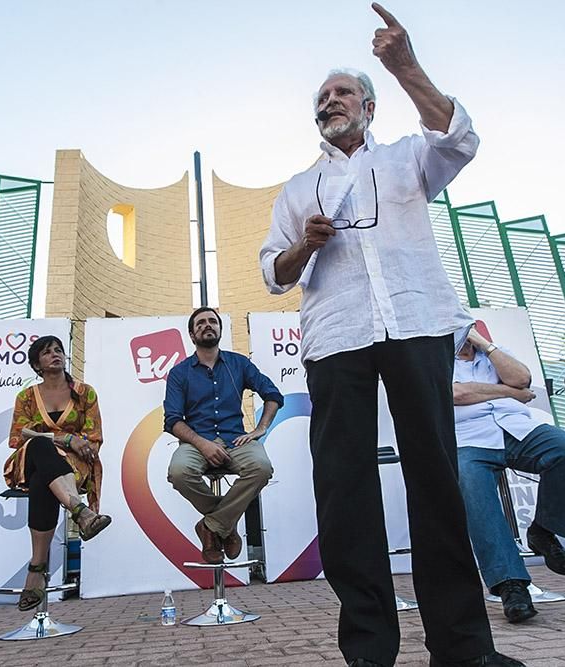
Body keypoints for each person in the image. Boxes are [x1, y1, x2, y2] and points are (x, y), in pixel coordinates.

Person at [259, 5, 519, 666]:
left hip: (416, 322)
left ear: (369, 106)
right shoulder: (297, 188)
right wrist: (304, 247)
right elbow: (273, 272)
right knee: (345, 492)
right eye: (321, 97)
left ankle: (463, 647)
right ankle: (369, 651)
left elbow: (460, 138)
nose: (330, 102)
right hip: (334, 337)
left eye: (343, 92)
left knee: (435, 482)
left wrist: (404, 66)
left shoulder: (409, 157)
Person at [453, 327, 565, 624]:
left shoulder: (494, 353)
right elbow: (457, 394)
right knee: (471, 484)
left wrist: (485, 345)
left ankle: (543, 530)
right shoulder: (434, 356)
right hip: (467, 438)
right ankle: (511, 586)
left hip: (517, 430)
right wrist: (509, 392)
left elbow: (522, 380)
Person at [164, 307, 281, 565]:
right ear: (192, 335)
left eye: (212, 322)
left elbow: (273, 395)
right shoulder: (179, 373)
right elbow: (172, 420)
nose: (208, 325)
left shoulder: (239, 364)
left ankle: (211, 526)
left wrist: (260, 429)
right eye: (201, 323)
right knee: (179, 471)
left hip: (235, 439)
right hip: (196, 441)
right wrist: (202, 444)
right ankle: (226, 527)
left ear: (220, 329)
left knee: (261, 468)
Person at [4, 335, 111, 611]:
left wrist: (71, 443)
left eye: (58, 350)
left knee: (44, 481)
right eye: (47, 352)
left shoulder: (85, 392)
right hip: (30, 459)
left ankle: (36, 569)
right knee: (39, 446)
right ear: (37, 364)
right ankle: (81, 511)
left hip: (73, 467)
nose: (55, 354)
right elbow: (19, 436)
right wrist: (66, 440)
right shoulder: (26, 396)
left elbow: (93, 438)